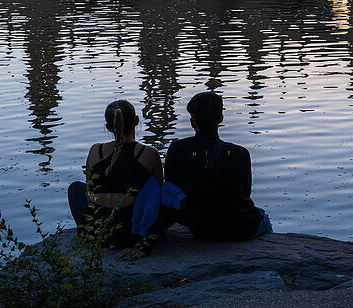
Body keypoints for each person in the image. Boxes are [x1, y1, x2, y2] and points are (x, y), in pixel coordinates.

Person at [165, 92, 271, 241]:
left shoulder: (177, 149)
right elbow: (245, 193)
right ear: (221, 119)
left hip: (199, 226)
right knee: (263, 216)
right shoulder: (241, 153)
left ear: (192, 122)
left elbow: (172, 190)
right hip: (238, 226)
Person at [67, 99, 164, 250]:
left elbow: (89, 190)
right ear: (136, 120)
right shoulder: (149, 153)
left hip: (93, 232)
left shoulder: (95, 150)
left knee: (75, 188)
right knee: (165, 191)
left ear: (108, 127)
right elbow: (158, 191)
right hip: (128, 235)